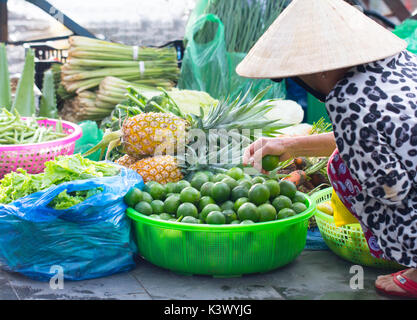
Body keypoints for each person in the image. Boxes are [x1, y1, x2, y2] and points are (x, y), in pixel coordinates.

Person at [238, 0, 417, 298]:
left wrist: (364, 186)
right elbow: (382, 137)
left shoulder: (348, 100)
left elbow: (392, 188)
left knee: (342, 169)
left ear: (318, 71)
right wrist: (290, 145)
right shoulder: (399, 62)